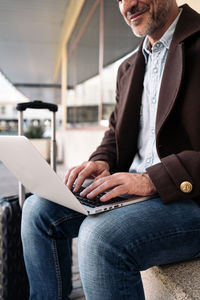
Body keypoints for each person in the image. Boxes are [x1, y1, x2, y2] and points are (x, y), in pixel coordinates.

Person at [21, 1, 200, 299]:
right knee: (37, 209)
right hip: (134, 194)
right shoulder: (129, 67)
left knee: (100, 238)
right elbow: (115, 132)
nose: (127, 6)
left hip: (188, 198)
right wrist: (102, 161)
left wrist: (153, 179)